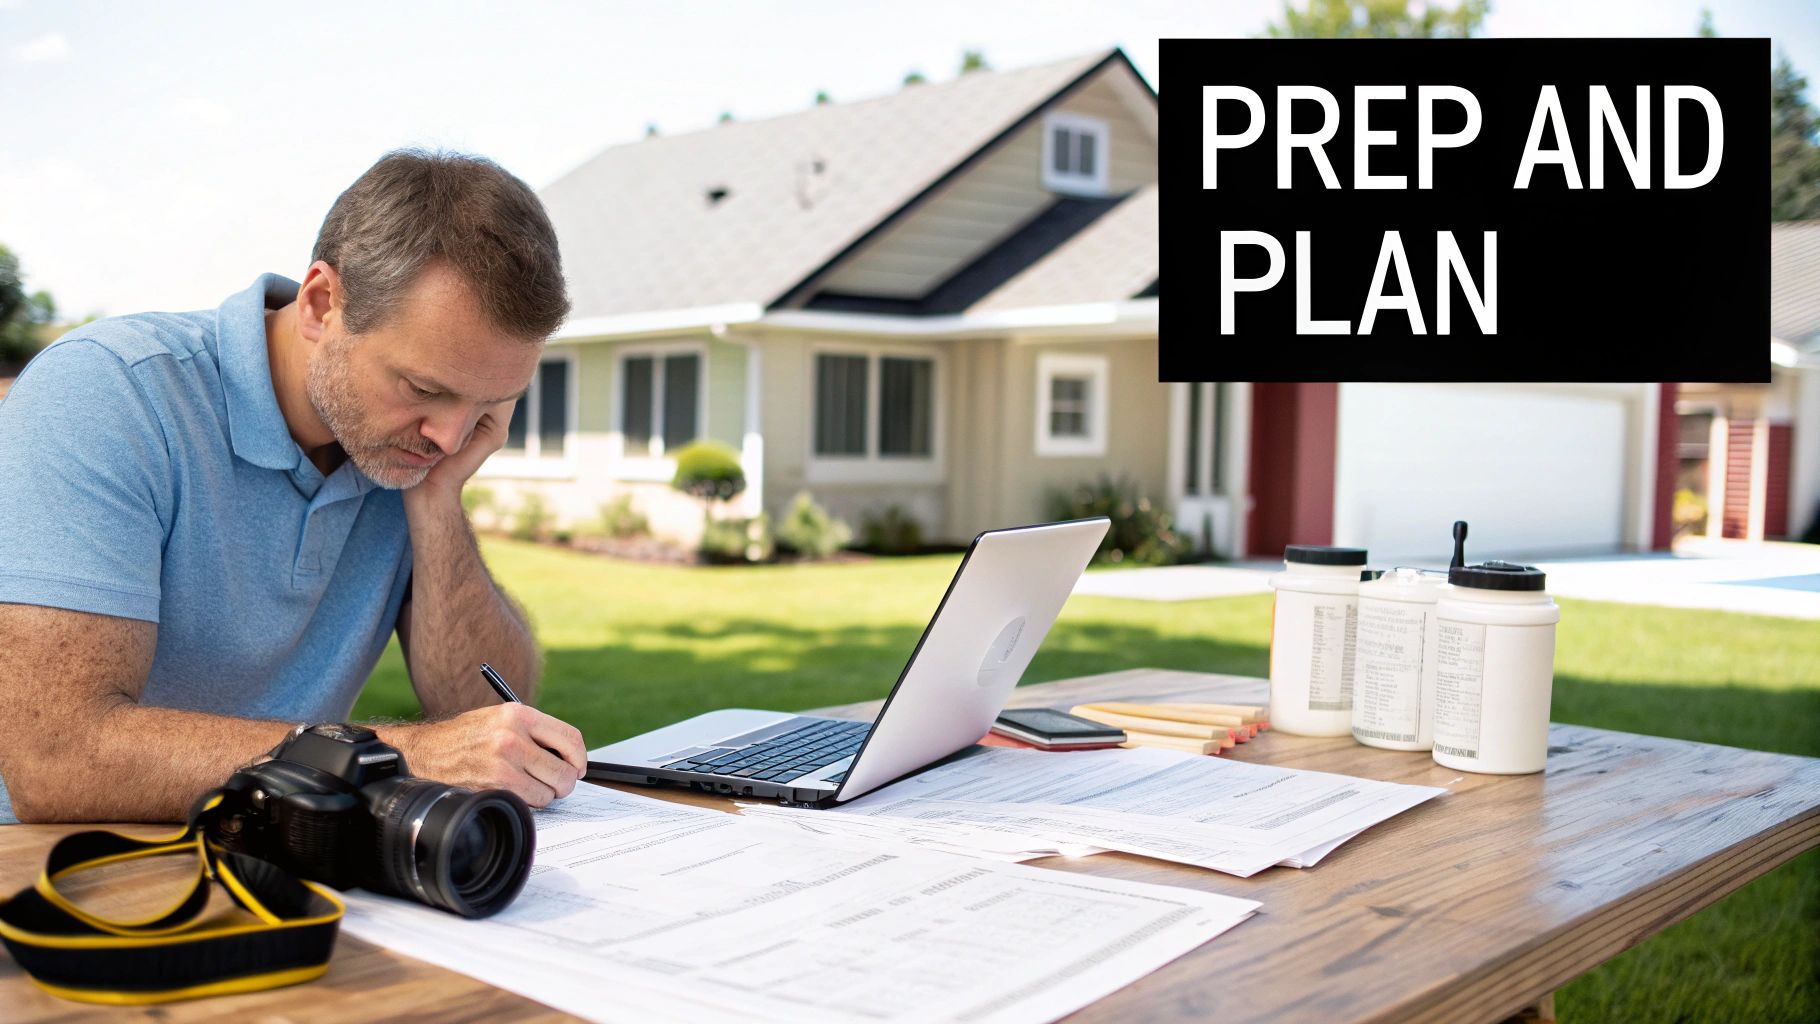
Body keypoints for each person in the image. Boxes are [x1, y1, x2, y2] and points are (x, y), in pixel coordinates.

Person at [0, 150, 589, 823]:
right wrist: (394, 759)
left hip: (273, 866)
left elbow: (486, 723)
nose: (452, 437)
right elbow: (56, 760)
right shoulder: (109, 394)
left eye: (490, 403)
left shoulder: (402, 448)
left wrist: (437, 502)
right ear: (319, 304)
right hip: (53, 885)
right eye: (425, 389)